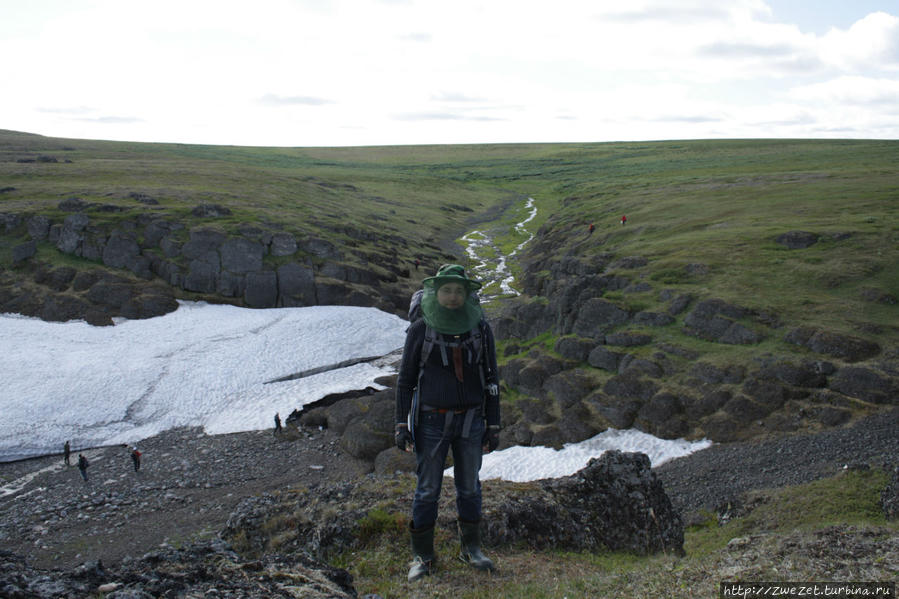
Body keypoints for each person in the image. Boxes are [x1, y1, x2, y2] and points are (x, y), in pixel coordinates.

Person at [395, 264, 501, 582]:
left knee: (470, 488)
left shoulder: (480, 328)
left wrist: (493, 424)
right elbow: (405, 381)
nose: (453, 296)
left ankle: (471, 549)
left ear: (467, 294)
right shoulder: (420, 329)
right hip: (430, 422)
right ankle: (422, 557)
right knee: (427, 490)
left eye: (459, 290)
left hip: (471, 422)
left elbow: (492, 378)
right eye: (447, 290)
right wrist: (401, 425)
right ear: (435, 292)